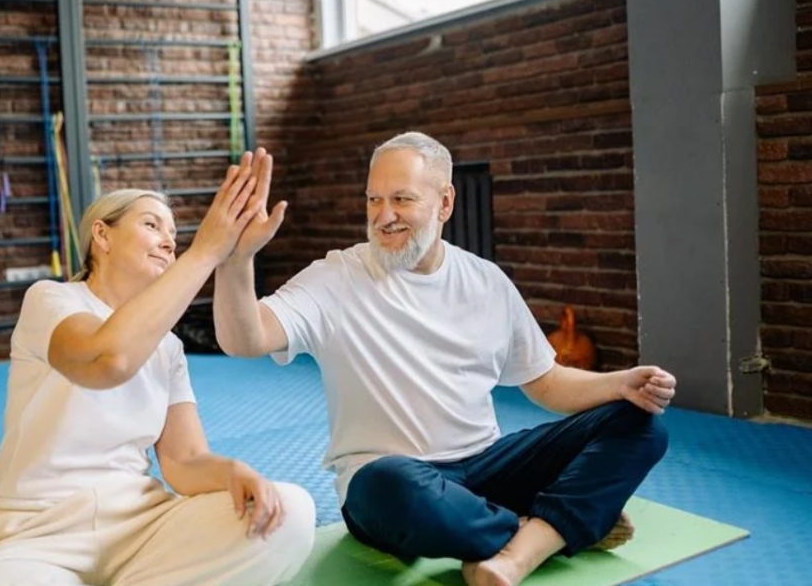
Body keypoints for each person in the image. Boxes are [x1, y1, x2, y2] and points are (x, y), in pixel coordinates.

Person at [213, 134, 675, 586]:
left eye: (401, 199)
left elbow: (547, 383)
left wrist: (619, 384)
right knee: (391, 483)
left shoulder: (486, 281)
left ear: (445, 203)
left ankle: (518, 547)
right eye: (374, 200)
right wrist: (236, 260)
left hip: (488, 466)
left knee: (640, 423)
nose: (384, 216)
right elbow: (245, 339)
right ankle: (554, 529)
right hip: (392, 482)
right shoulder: (336, 278)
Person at [0, 156, 316, 586]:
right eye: (151, 225)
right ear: (102, 235)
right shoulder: (51, 300)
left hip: (139, 529)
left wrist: (233, 471)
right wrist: (205, 252)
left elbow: (184, 461)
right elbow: (107, 360)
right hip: (37, 533)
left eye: (174, 236)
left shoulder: (169, 348)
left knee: (289, 512)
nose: (168, 242)